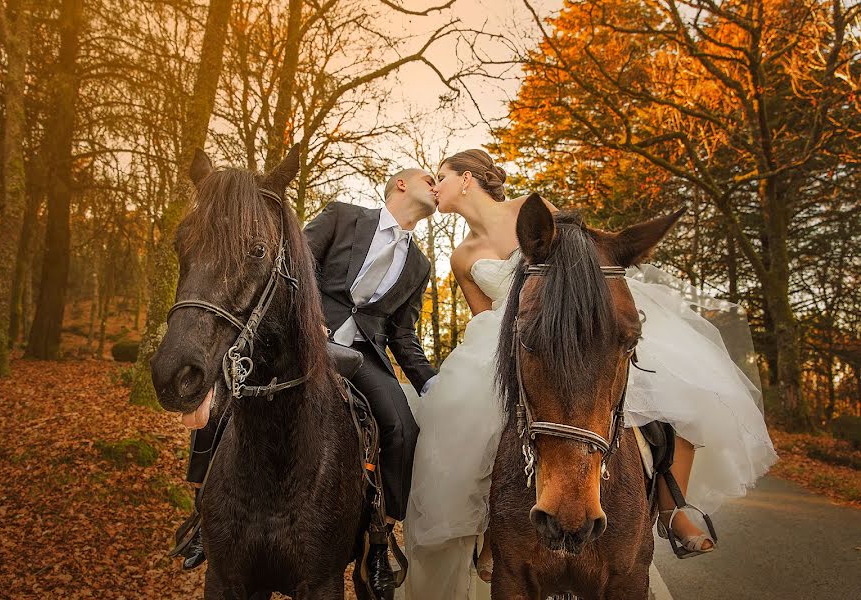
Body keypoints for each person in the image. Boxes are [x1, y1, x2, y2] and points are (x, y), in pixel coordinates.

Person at [403, 149, 777, 599]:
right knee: (463, 419)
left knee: (664, 390)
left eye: (440, 177)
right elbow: (486, 315)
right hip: (511, 336)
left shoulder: (532, 210)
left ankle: (674, 506)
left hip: (574, 322)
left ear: (467, 179)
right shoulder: (461, 256)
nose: (434, 187)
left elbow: (583, 253)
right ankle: (489, 529)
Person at [176, 169, 439, 599]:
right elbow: (294, 262)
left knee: (402, 428)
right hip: (300, 334)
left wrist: (430, 384)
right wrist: (309, 318)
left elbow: (402, 334)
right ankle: (205, 519)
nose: (435, 184)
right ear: (401, 184)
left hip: (362, 356)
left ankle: (378, 540)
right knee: (227, 390)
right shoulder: (342, 216)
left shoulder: (420, 265)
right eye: (428, 177)